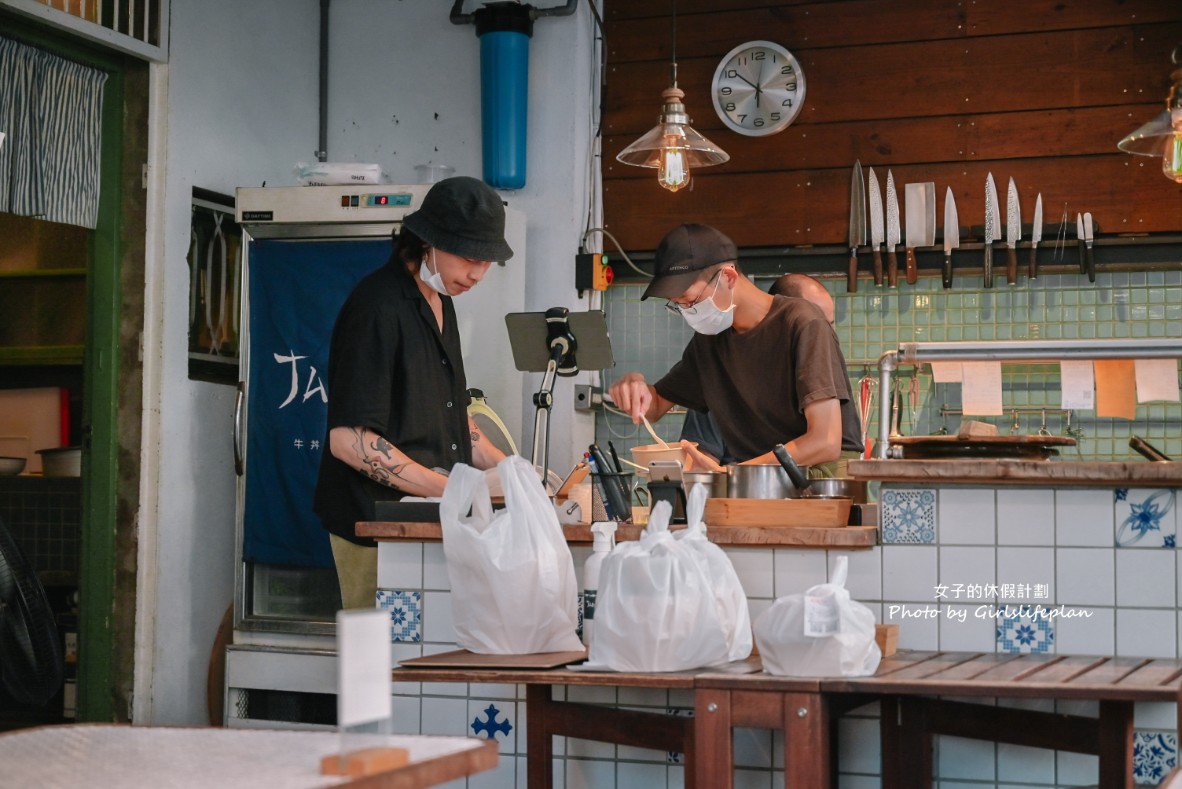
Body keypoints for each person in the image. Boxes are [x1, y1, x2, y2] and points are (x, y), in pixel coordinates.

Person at [314, 176, 512, 609]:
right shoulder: (377, 306)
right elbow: (349, 441)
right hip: (374, 526)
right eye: (467, 256)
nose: (477, 273)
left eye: (487, 261)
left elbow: (452, 417)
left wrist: (512, 474)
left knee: (427, 658)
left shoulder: (442, 302)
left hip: (430, 518)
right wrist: (446, 487)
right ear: (428, 242)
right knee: (383, 662)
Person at [610, 223, 853, 475]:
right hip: (759, 477)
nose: (687, 312)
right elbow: (656, 405)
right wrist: (635, 387)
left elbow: (826, 442)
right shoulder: (709, 343)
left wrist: (733, 474)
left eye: (690, 301)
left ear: (728, 277)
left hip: (819, 478)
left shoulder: (802, 322)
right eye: (678, 305)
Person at [678, 272, 864, 472]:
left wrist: (737, 473)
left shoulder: (818, 382)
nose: (826, 337)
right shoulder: (720, 368)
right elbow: (699, 463)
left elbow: (826, 444)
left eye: (830, 326)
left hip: (815, 486)